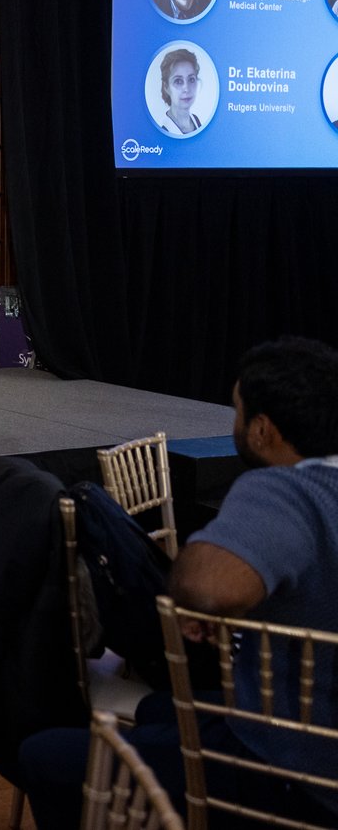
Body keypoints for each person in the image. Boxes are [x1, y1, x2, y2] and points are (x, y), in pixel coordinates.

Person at [18, 336, 338, 828]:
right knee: (158, 710)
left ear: (261, 430)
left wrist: (201, 594)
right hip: (299, 730)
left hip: (296, 775)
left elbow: (207, 587)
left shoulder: (290, 490)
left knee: (44, 756)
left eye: (236, 412)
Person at [154, 47, 206, 137]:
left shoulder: (196, 121)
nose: (186, 89)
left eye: (191, 79)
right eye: (178, 81)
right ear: (166, 87)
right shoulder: (162, 131)